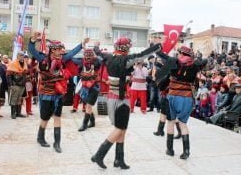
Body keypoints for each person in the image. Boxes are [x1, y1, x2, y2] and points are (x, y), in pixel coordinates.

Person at [91, 38, 162, 169]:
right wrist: (155, 46)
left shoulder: (108, 57)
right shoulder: (126, 60)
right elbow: (143, 54)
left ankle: (119, 160)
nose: (130, 49)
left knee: (122, 129)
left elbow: (98, 52)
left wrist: (96, 46)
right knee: (119, 129)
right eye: (128, 47)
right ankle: (99, 154)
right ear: (125, 48)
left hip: (112, 98)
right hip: (122, 100)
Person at [28, 32, 86, 153]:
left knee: (57, 117)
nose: (61, 51)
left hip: (58, 94)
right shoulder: (42, 59)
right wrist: (33, 40)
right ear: (52, 50)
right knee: (45, 118)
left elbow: (72, 53)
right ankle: (40, 137)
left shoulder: (63, 59)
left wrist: (82, 44)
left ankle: (57, 143)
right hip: (46, 93)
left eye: (61, 49)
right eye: (58, 49)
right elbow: (31, 50)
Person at [155, 46, 206, 160]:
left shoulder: (174, 62)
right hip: (187, 98)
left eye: (179, 53)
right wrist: (195, 59)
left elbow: (162, 55)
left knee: (171, 122)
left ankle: (170, 150)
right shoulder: (195, 65)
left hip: (173, 96)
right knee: (183, 124)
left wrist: (157, 50)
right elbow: (204, 61)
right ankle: (186, 152)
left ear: (181, 53)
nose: (177, 55)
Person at [73, 49, 101, 132]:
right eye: (86, 55)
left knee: (88, 106)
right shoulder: (81, 63)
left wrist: (96, 56)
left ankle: (84, 124)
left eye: (90, 55)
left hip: (94, 87)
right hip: (85, 87)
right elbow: (72, 59)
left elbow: (101, 60)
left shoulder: (96, 63)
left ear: (93, 56)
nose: (88, 57)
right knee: (89, 106)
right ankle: (92, 122)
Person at [7, 51, 28, 119]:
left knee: (19, 99)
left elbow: (25, 74)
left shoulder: (24, 64)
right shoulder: (13, 63)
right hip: (15, 84)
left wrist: (24, 82)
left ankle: (18, 113)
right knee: (14, 99)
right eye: (20, 55)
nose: (22, 57)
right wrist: (11, 84)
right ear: (17, 56)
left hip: (22, 84)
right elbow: (9, 75)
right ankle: (13, 114)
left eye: (23, 55)